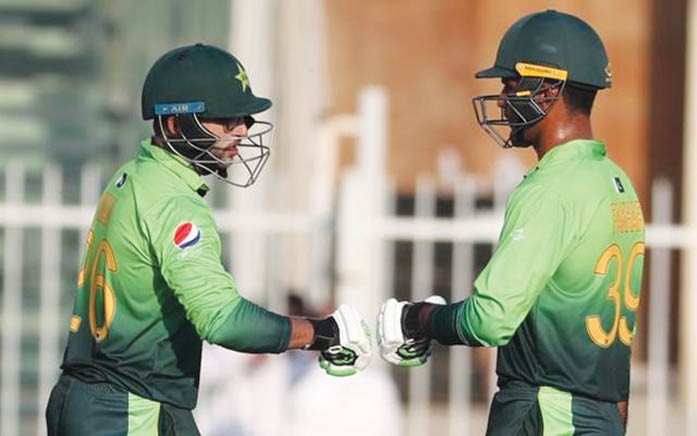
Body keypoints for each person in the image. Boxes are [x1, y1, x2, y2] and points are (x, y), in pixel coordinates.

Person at [45, 43, 372, 435]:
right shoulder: (174, 202)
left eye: (243, 117)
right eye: (224, 118)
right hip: (130, 410)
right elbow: (224, 321)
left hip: (87, 397)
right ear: (173, 124)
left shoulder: (134, 175)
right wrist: (322, 333)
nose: (242, 129)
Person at [377, 10, 644, 435]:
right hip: (602, 414)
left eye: (511, 83)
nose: (502, 99)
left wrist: (420, 318)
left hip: (544, 411)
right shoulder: (616, 183)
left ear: (549, 89)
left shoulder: (550, 188)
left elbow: (490, 319)